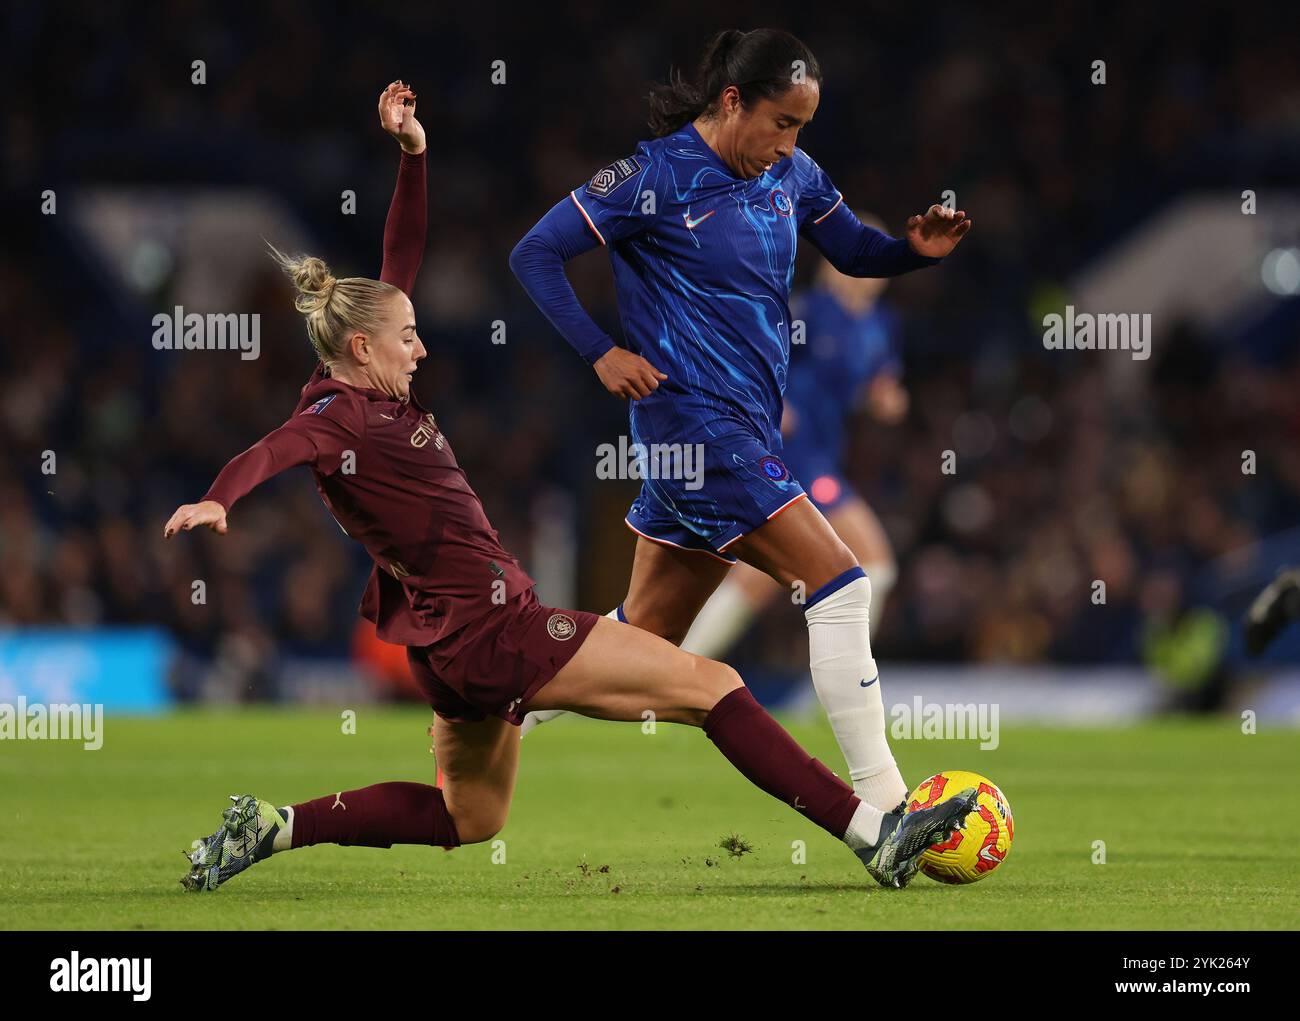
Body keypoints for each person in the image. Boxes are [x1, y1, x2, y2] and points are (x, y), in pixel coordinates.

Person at [166, 81, 976, 893]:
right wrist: (219, 497)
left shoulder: (358, 379)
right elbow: (274, 449)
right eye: (406, 338)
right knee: (714, 686)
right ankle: (874, 831)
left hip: (444, 647)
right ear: (358, 345)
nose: (419, 351)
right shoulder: (336, 417)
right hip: (496, 629)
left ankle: (274, 824)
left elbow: (399, 256)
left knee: (468, 816)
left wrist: (413, 158)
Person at [510, 29, 970, 812]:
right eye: (781, 122)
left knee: (645, 637)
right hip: (694, 428)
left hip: (742, 431)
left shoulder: (791, 173)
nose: (790, 142)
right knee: (842, 579)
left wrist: (911, 253)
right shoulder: (652, 176)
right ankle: (888, 805)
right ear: (732, 101)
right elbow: (534, 253)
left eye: (802, 126)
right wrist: (599, 351)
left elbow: (853, 250)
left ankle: (504, 696)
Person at [682, 217, 907, 660]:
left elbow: (883, 386)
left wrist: (889, 400)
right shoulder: (809, 311)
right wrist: (770, 403)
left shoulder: (881, 325)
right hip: (793, 456)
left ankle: (671, 672)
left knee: (758, 579)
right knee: (874, 561)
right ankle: (852, 679)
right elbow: (752, 354)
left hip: (824, 453)